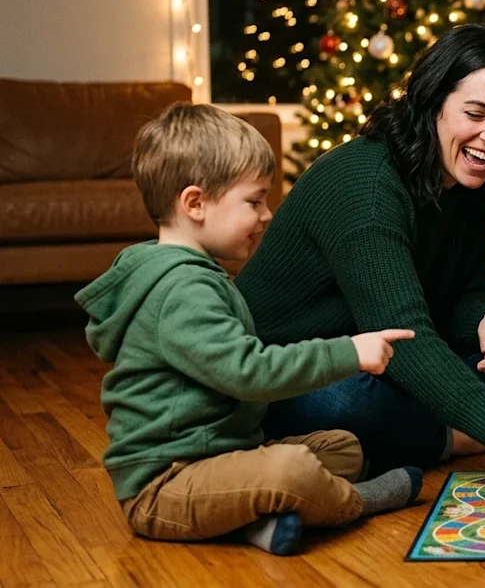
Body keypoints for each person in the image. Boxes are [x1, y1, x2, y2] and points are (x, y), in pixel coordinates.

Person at [236, 24, 485, 506]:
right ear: (432, 102)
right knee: (352, 403)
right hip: (292, 374)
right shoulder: (366, 186)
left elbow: (464, 291)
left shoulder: (474, 182)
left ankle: (436, 426)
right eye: (476, 113)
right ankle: (453, 438)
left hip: (383, 355)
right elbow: (406, 337)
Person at [76, 103, 422, 556]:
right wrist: (348, 352)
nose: (267, 215)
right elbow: (249, 373)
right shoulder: (181, 289)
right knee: (290, 471)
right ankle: (356, 503)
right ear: (195, 203)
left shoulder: (197, 275)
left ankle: (255, 520)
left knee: (342, 447)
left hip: (223, 458)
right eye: (254, 201)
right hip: (167, 484)